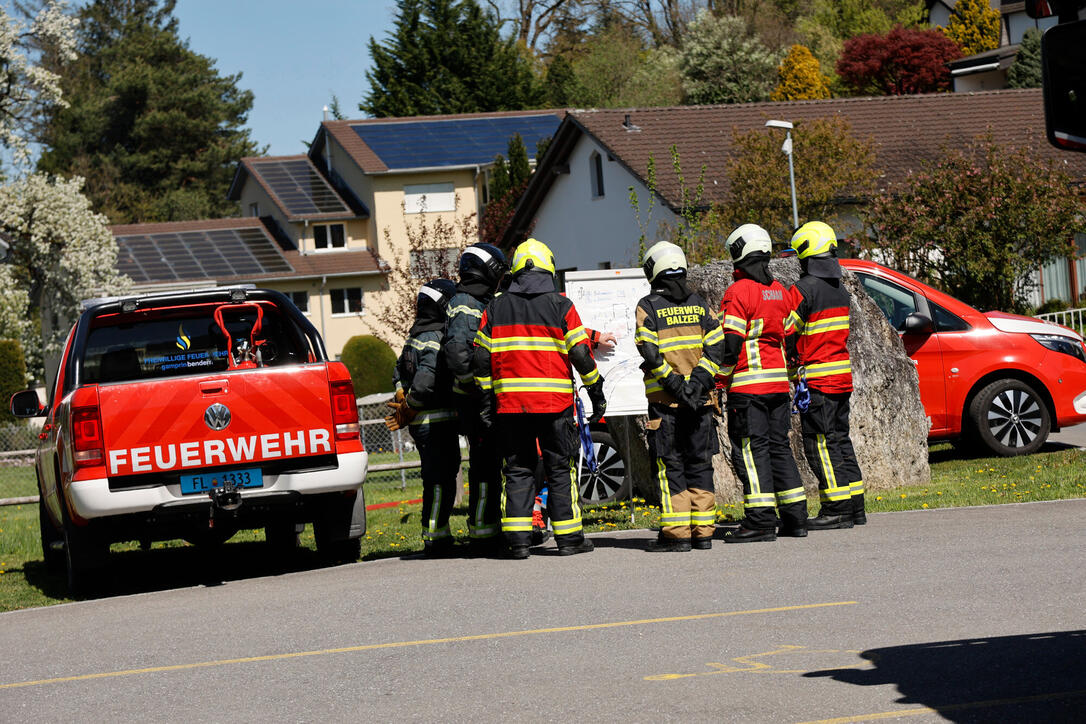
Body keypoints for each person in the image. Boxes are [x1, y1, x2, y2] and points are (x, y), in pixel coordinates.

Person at [472, 238, 606, 559]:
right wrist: (596, 389)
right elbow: (580, 353)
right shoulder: (561, 306)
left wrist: (485, 402)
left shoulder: (495, 308)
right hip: (555, 406)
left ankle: (517, 542)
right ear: (549, 268)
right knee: (560, 469)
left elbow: (479, 360)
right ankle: (570, 539)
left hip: (510, 407)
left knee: (517, 469)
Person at [634, 240, 725, 552]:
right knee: (700, 464)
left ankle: (677, 535)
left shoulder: (648, 306)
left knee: (671, 466)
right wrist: (697, 384)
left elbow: (648, 349)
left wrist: (676, 385)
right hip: (700, 402)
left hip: (665, 402)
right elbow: (717, 346)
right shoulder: (700, 304)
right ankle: (703, 533)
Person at [719, 224, 808, 542]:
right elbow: (791, 341)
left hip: (748, 387)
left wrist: (720, 380)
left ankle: (759, 521)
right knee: (779, 448)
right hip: (778, 387)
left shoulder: (739, 292)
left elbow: (730, 345)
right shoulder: (781, 292)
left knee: (751, 452)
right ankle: (796, 519)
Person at [786, 221, 866, 528]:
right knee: (840, 441)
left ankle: (836, 509)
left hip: (818, 379)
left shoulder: (803, 289)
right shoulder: (839, 289)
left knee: (820, 444)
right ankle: (856, 506)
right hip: (841, 377)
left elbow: (786, 331)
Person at [386, 279, 461, 557]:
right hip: (436, 423)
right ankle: (435, 536)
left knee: (434, 478)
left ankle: (436, 533)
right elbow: (426, 382)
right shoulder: (435, 338)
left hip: (423, 425)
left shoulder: (413, 337)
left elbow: (397, 373)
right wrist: (411, 405)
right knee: (442, 479)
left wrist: (402, 400)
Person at [443, 243, 509, 553]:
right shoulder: (466, 303)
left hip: (480, 398)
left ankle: (491, 527)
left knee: (491, 465)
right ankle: (485, 533)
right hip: (474, 400)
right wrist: (479, 387)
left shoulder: (477, 300)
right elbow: (458, 353)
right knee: (484, 467)